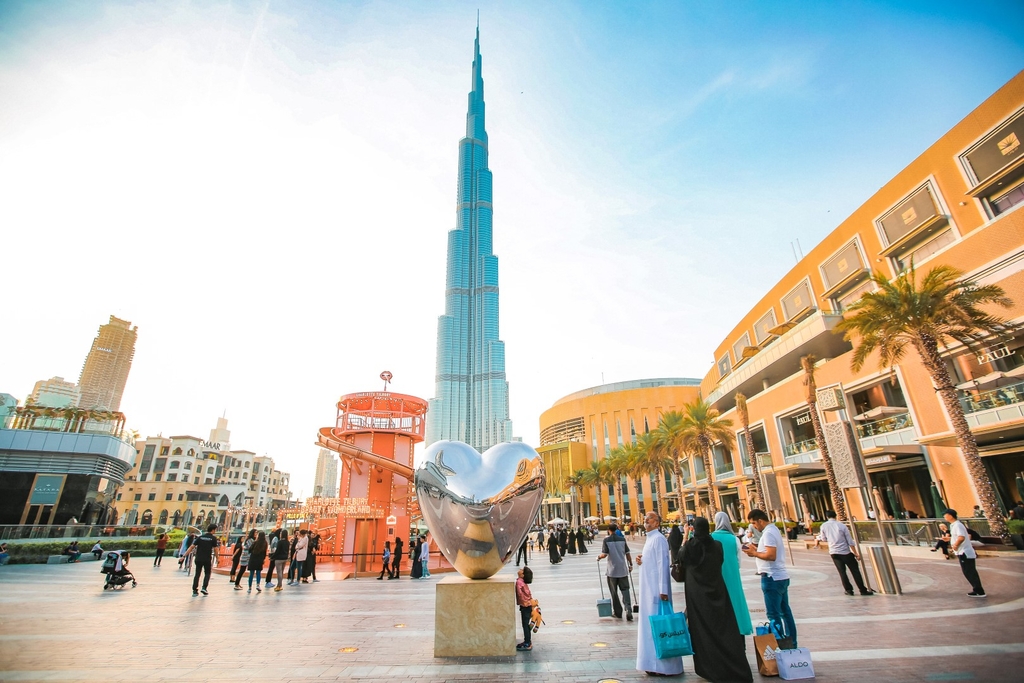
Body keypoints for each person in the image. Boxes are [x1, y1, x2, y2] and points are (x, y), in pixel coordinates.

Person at [678, 517, 753, 683]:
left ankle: (711, 668)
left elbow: (680, 559)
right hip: (718, 592)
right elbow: (719, 562)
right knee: (724, 630)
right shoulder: (717, 545)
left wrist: (685, 537)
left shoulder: (690, 546)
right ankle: (733, 666)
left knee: (703, 632)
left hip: (698, 596)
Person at [635, 510, 683, 677]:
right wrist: (641, 560)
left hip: (656, 592)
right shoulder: (650, 539)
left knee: (661, 627)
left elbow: (663, 564)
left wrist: (663, 590)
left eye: (650, 519)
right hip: (648, 590)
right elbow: (651, 561)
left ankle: (665, 666)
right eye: (645, 519)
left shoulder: (660, 539)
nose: (646, 521)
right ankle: (651, 663)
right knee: (650, 628)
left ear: (657, 523)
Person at [743, 509, 797, 648]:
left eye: (754, 523)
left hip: (772, 577)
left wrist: (754, 553)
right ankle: (791, 644)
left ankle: (780, 645)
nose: (754, 526)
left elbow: (771, 556)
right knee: (785, 612)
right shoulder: (773, 531)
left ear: (760, 521)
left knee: (774, 615)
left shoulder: (768, 533)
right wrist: (757, 550)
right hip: (780, 577)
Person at [711, 511, 753, 635]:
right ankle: (739, 629)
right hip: (733, 576)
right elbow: (739, 561)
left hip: (716, 576)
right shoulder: (734, 539)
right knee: (736, 602)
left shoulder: (711, 537)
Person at [817, 510, 873, 596]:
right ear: (835, 516)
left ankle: (849, 590)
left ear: (827, 516)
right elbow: (850, 541)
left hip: (834, 552)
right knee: (855, 571)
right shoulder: (841, 525)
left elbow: (824, 539)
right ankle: (862, 589)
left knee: (842, 572)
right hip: (845, 552)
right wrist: (856, 553)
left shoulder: (823, 526)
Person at [945, 509, 986, 597]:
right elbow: (958, 537)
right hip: (962, 552)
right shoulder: (954, 525)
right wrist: (949, 539)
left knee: (969, 571)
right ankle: (977, 589)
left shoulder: (958, 525)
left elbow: (961, 537)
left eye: (945, 515)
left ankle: (979, 591)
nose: (944, 517)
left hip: (964, 552)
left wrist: (955, 545)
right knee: (968, 571)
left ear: (951, 516)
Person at [597, 523, 633, 621]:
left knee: (614, 592)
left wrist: (599, 557)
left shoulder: (606, 540)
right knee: (625, 590)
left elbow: (604, 554)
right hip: (623, 569)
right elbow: (627, 553)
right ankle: (628, 609)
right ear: (616, 529)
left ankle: (618, 612)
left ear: (608, 529)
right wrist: (630, 564)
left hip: (612, 571)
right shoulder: (622, 539)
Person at [187, 524, 220, 596]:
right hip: (207, 558)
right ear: (213, 530)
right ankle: (204, 587)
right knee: (207, 573)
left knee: (197, 574)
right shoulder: (213, 538)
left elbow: (192, 547)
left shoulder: (200, 537)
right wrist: (217, 558)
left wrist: (184, 555)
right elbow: (216, 549)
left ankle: (195, 590)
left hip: (198, 558)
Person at [515, 566, 536, 651]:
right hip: (528, 605)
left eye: (522, 570)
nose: (520, 570)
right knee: (526, 625)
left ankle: (527, 642)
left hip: (525, 606)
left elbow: (520, 594)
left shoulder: (519, 582)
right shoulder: (523, 582)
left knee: (525, 625)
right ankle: (527, 641)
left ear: (522, 575)